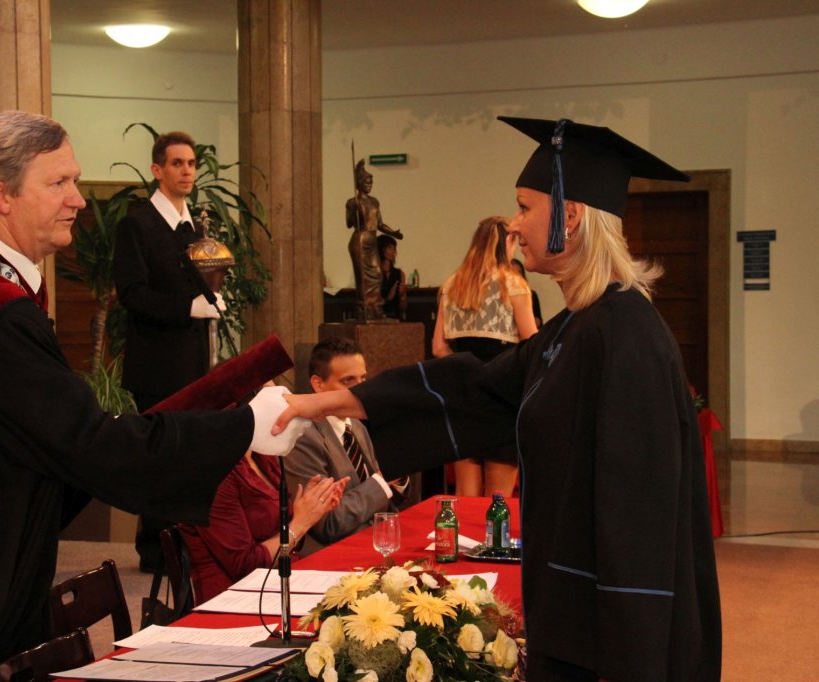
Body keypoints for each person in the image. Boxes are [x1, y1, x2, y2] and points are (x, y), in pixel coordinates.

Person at [0, 111, 306, 681]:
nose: (78, 200)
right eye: (59, 183)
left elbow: (55, 443)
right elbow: (88, 444)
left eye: (74, 181)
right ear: (0, 194)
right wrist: (244, 426)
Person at [275, 117, 721, 681]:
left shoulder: (626, 334)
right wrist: (319, 405)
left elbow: (640, 515)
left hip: (611, 635)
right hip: (569, 609)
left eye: (524, 207)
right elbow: (474, 388)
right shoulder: (574, 327)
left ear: (570, 215)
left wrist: (633, 652)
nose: (513, 223)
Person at [113, 130, 221, 572]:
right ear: (157, 170)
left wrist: (212, 299)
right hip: (157, 365)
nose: (187, 171)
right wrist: (187, 307)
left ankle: (186, 547)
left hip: (194, 361)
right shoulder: (137, 225)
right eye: (177, 163)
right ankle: (156, 551)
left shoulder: (194, 227)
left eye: (192, 164)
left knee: (189, 457)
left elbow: (202, 283)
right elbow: (132, 293)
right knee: (161, 456)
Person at [181, 382, 349, 602]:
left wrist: (310, 506)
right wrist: (301, 523)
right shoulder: (215, 473)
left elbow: (282, 535)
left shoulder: (261, 454)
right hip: (237, 600)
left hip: (278, 584)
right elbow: (245, 566)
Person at [431, 216, 538, 496]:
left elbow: (438, 347)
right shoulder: (513, 285)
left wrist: (466, 373)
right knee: (498, 499)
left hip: (463, 393)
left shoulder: (452, 284)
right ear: (508, 242)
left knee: (465, 494)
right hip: (502, 394)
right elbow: (531, 342)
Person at [284, 337, 410, 551]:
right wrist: (382, 481)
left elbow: (385, 499)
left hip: (378, 540)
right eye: (348, 381)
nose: (362, 389)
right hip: (334, 553)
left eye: (364, 378)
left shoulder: (356, 425)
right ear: (318, 384)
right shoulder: (302, 437)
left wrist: (398, 474)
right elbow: (327, 524)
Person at [346, 159, 402, 321]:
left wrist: (393, 233)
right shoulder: (352, 202)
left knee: (377, 275)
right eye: (366, 182)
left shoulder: (374, 202)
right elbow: (348, 224)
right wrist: (354, 210)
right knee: (362, 278)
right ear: (359, 183)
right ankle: (365, 308)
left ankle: (376, 306)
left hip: (372, 242)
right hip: (360, 241)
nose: (369, 185)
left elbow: (380, 224)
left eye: (371, 182)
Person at [378, 234, 407, 320]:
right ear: (381, 249)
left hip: (395, 318)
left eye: (394, 248)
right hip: (378, 319)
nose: (393, 252)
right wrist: (388, 298)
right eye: (390, 248)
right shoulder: (375, 274)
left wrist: (402, 295)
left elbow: (403, 309)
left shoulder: (400, 274)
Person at [511, 257, 543, 327]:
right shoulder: (501, 295)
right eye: (513, 272)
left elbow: (538, 321)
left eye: (519, 272)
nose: (517, 276)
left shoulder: (531, 294)